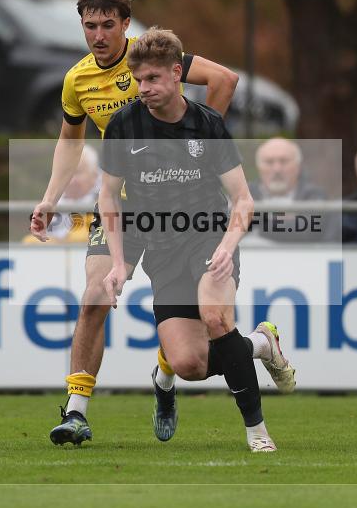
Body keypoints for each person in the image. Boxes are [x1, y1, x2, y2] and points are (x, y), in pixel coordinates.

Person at [29, 0, 287, 446]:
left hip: (179, 207)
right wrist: (51, 197)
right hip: (123, 205)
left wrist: (200, 151)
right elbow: (71, 142)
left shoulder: (149, 60)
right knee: (95, 295)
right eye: (90, 26)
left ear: (126, 24)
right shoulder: (77, 80)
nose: (99, 35)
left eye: (109, 25)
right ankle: (76, 412)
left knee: (195, 347)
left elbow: (224, 80)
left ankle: (168, 371)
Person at [100, 28, 293, 452]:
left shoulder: (207, 125)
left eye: (153, 79)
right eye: (139, 80)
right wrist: (118, 263)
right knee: (189, 364)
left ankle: (257, 431)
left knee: (216, 317)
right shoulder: (124, 125)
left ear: (176, 74)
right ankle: (261, 344)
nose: (144, 88)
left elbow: (243, 199)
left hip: (208, 236)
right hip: (161, 249)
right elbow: (108, 197)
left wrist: (226, 245)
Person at [248, 137, 330, 242]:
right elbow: (230, 226)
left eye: (284, 161)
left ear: (298, 166)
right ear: (258, 166)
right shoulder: (243, 194)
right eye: (269, 162)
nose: (277, 169)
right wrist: (287, 222)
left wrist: (256, 221)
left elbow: (308, 230)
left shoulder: (315, 195)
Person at [23, 145, 100, 244]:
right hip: (52, 255)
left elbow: (84, 239)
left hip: (84, 255)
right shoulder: (51, 201)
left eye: (78, 173)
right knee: (29, 242)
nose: (71, 180)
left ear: (94, 175)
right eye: (67, 174)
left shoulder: (104, 201)